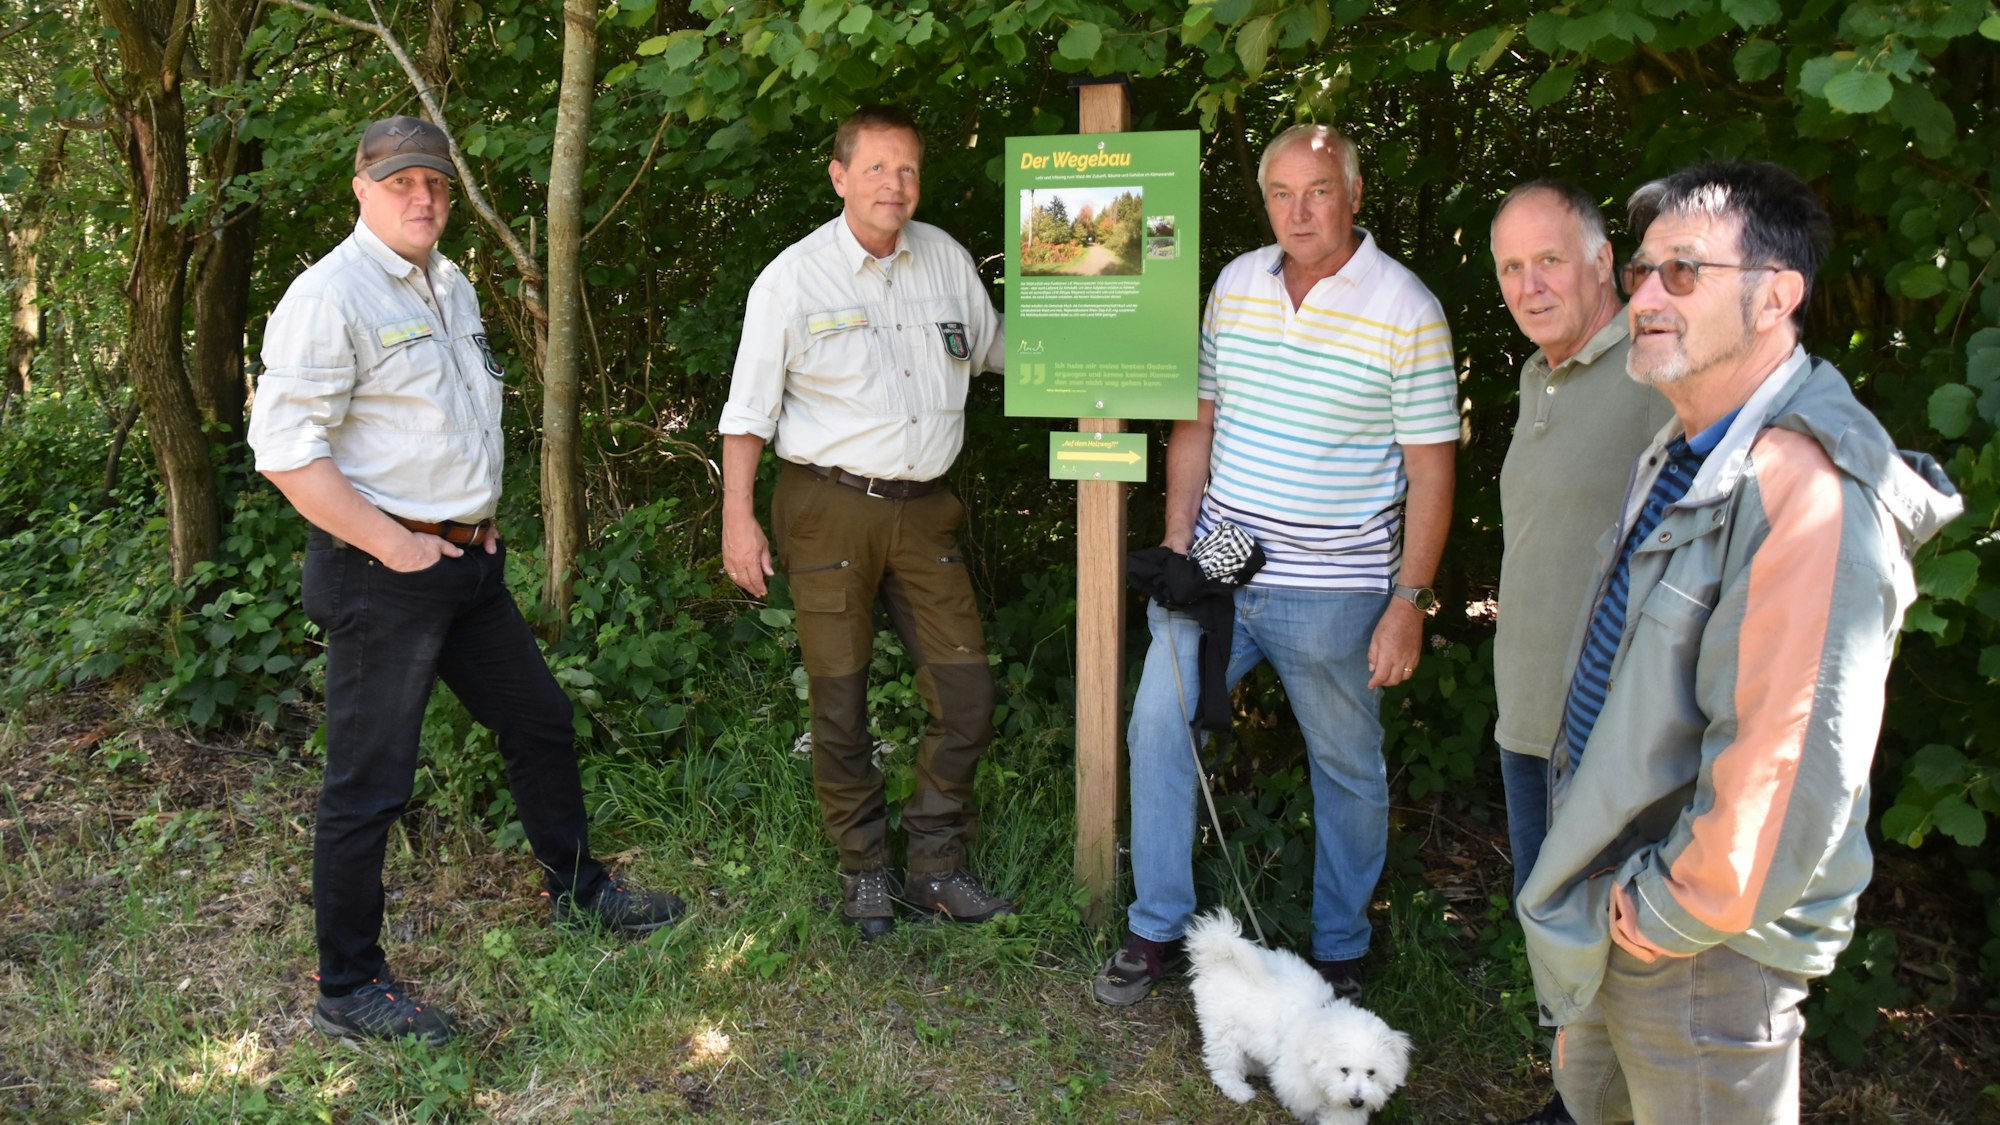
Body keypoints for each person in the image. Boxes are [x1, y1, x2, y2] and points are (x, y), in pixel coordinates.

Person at [1517, 161, 1962, 1124]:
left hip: (1698, 955)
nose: (1644, 296)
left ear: (1776, 296)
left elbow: (1790, 750)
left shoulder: (1804, 483)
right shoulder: (1693, 446)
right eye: (1639, 273)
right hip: (1622, 902)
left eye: (1683, 272)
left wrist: (1673, 908)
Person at [248, 115, 685, 1047]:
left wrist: (472, 531)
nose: (423, 197)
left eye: (436, 183)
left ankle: (579, 892)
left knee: (539, 720)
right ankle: (349, 985)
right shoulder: (331, 295)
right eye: (402, 180)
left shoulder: (451, 285)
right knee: (370, 783)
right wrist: (396, 546)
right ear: (361, 186)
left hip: (465, 563)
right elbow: (286, 454)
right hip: (384, 570)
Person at [1092, 123, 1458, 1006]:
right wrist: (1179, 542)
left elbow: (1432, 468)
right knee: (1155, 725)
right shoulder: (1236, 282)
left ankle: (1340, 950)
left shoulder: (1407, 307)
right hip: (1218, 560)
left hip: (1335, 583)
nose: (1300, 210)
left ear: (1355, 194)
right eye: (1283, 193)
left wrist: (1409, 599)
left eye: (1319, 189)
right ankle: (1155, 927)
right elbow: (1200, 419)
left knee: (1345, 764)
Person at [718, 105, 1010, 940]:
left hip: (925, 513)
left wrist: (1112, 349)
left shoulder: (946, 260)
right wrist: (739, 519)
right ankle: (863, 871)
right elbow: (746, 416)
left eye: (908, 170)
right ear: (840, 176)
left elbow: (998, 351)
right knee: (840, 700)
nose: (895, 186)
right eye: (877, 169)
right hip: (827, 507)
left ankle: (937, 867)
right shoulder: (794, 279)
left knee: (967, 694)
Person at [1488, 180, 1673, 1125]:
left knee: (1625, 945)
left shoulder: (1655, 373)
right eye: (1512, 267)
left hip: (1611, 729)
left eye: (1549, 258)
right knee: (1558, 937)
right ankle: (1576, 1104)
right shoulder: (1535, 376)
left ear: (1605, 261)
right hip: (1528, 716)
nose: (1531, 284)